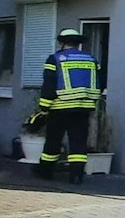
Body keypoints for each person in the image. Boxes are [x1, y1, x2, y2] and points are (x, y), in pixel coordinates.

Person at [33, 29, 102, 184]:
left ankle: (45, 171)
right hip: (83, 107)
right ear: (77, 43)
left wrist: (44, 108)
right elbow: (100, 82)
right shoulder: (91, 59)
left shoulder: (55, 59)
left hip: (59, 108)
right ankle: (76, 176)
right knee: (78, 141)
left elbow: (49, 85)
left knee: (53, 140)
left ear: (61, 42)